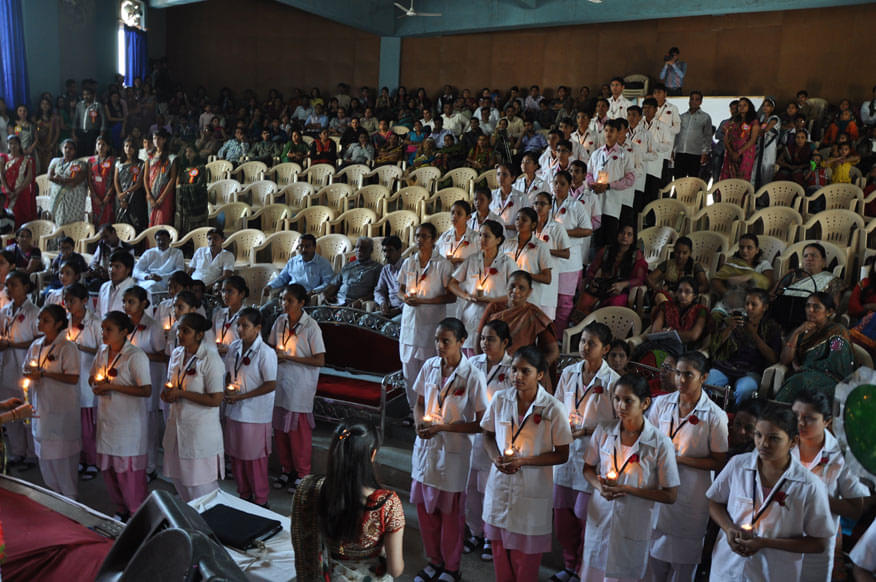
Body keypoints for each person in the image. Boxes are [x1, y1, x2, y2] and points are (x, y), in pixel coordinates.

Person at [705, 404, 833, 582]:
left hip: (772, 573)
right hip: (727, 568)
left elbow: (819, 543)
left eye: (774, 438)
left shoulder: (809, 485)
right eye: (758, 435)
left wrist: (765, 543)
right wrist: (729, 528)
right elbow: (714, 501)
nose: (763, 444)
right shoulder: (738, 465)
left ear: (794, 441)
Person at [481, 346, 572, 581]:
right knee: (500, 553)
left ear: (540, 374)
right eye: (514, 370)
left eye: (525, 371)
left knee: (526, 560)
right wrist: (495, 458)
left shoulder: (553, 408)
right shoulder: (501, 399)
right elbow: (488, 435)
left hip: (532, 490)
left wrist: (524, 461)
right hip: (501, 483)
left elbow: (562, 454)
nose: (517, 377)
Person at [580, 373, 680, 582]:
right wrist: (600, 487)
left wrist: (627, 490)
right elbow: (588, 469)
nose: (620, 406)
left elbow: (670, 495)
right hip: (602, 513)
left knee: (624, 574)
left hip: (633, 520)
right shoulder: (604, 430)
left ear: (644, 403)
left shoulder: (660, 443)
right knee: (594, 573)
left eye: (628, 400)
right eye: (616, 399)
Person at [410, 318, 487, 582]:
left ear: (462, 342)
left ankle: (452, 568)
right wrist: (421, 422)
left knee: (451, 516)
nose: (440, 346)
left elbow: (481, 423)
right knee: (425, 511)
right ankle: (433, 561)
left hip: (453, 453)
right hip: (426, 448)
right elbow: (419, 403)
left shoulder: (473, 376)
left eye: (446, 341)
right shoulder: (430, 366)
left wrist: (445, 429)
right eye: (437, 340)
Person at [647, 352, 728, 582]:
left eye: (688, 375)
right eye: (678, 373)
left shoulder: (715, 415)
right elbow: (649, 438)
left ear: (703, 377)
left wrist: (680, 460)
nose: (681, 380)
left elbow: (718, 460)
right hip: (660, 484)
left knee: (683, 561)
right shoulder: (662, 403)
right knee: (654, 552)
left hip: (691, 492)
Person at [291, 421, 405, 581]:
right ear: (372, 455)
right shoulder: (388, 504)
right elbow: (395, 569)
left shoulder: (310, 488)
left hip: (326, 576)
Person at [552, 323, 620, 582]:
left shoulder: (612, 382)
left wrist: (588, 430)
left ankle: (582, 567)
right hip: (566, 453)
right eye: (582, 341)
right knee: (562, 518)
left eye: (591, 343)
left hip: (594, 456)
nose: (584, 347)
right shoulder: (569, 372)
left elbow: (617, 423)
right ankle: (569, 563)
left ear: (606, 349)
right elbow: (557, 407)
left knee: (583, 516)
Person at [791, 390, 868, 582]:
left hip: (816, 542)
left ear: (827, 422)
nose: (800, 423)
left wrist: (815, 497)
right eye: (796, 416)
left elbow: (856, 508)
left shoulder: (841, 456)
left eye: (809, 418)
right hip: (780, 536)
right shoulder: (782, 442)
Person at [90, 311, 152, 521]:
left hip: (128, 424)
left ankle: (138, 514)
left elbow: (146, 390)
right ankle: (121, 509)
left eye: (109, 329)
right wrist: (96, 385)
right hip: (107, 421)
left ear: (124, 332)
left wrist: (113, 388)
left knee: (129, 474)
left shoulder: (135, 356)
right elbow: (92, 375)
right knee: (109, 472)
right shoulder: (102, 351)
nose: (104, 333)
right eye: (103, 329)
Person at [161, 312, 224, 501]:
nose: (179, 334)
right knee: (180, 480)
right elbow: (171, 383)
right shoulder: (177, 353)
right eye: (179, 329)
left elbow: (216, 399)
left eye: (185, 331)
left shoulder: (210, 359)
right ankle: (191, 522)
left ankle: (209, 526)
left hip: (199, 432)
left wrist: (181, 394)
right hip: (177, 425)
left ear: (198, 335)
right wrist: (168, 394)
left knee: (201, 487)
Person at [268, 284, 326, 491]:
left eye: (289, 300)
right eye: (283, 299)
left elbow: (319, 360)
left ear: (301, 303)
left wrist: (290, 357)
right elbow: (273, 346)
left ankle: (303, 473)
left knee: (298, 434)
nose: (284, 304)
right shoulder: (280, 321)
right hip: (281, 381)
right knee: (281, 430)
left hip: (300, 385)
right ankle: (286, 469)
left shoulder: (311, 326)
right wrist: (278, 356)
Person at [464, 320, 513, 561]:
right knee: (470, 488)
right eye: (482, 338)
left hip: (495, 437)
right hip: (472, 432)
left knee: (489, 489)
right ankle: (474, 531)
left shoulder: (513, 368)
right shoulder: (473, 363)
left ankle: (489, 536)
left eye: (491, 339)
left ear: (504, 342)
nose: (484, 343)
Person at [22, 304, 81, 499]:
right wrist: (30, 374)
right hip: (42, 407)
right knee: (45, 460)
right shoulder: (36, 345)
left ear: (58, 324)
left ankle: (71, 501)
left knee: (63, 463)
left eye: (45, 320)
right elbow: (25, 368)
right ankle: (55, 497)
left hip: (61, 410)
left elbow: (73, 377)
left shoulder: (67, 347)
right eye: (39, 319)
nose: (40, 323)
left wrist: (45, 373)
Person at [397, 223, 454, 414]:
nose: (420, 240)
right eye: (417, 236)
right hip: (410, 326)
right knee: (409, 373)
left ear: (433, 239)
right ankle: (414, 413)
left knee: (430, 372)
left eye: (424, 237)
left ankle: (431, 411)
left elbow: (450, 296)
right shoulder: (409, 262)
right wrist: (404, 297)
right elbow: (399, 289)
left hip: (430, 327)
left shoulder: (443, 265)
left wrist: (426, 300)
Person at [223, 307, 277, 508]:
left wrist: (243, 396)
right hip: (235, 411)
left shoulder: (266, 353)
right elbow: (229, 372)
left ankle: (261, 499)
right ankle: (244, 494)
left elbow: (271, 383)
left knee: (254, 459)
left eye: (245, 326)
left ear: (258, 328)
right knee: (236, 456)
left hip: (255, 414)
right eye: (238, 325)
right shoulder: (234, 347)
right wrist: (229, 389)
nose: (240, 329)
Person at [448, 220, 515, 357]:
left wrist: (492, 300)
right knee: (469, 355)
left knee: (490, 354)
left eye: (486, 236)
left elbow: (515, 293)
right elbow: (452, 283)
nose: (481, 239)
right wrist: (466, 296)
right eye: (480, 235)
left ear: (498, 239)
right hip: (470, 314)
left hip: (495, 316)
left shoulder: (507, 263)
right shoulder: (472, 259)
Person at [708, 288, 783, 406]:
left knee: (745, 391)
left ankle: (736, 419)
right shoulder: (737, 321)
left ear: (764, 307)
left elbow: (773, 358)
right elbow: (713, 348)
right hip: (726, 366)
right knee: (707, 382)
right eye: (747, 304)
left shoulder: (772, 328)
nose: (749, 308)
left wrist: (753, 334)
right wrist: (729, 328)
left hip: (751, 371)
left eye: (754, 305)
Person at [777, 289, 855, 401]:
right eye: (808, 306)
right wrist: (796, 333)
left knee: (799, 382)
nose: (810, 310)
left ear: (829, 312)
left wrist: (805, 368)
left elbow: (837, 361)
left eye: (816, 307)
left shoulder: (837, 331)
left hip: (830, 380)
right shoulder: (802, 331)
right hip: (803, 377)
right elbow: (784, 360)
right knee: (798, 381)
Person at [122, 285, 167, 480]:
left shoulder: (153, 326)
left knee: (148, 425)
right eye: (125, 301)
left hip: (149, 377)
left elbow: (162, 356)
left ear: (144, 304)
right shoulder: (123, 325)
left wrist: (137, 355)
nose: (126, 306)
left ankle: (149, 467)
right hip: (127, 380)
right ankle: (132, 462)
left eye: (131, 302)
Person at [477, 270, 560, 367]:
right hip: (493, 364)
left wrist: (535, 369)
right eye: (512, 286)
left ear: (529, 292)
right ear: (506, 287)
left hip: (522, 367)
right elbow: (479, 337)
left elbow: (553, 351)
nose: (515, 291)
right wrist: (482, 364)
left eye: (521, 288)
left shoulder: (534, 314)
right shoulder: (494, 308)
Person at [0, 271, 40, 464]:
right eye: (7, 285)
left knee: (27, 412)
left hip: (24, 366)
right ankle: (17, 451)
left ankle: (32, 453)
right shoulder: (5, 311)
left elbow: (39, 340)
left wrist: (14, 344)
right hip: (6, 365)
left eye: (14, 284)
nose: (9, 289)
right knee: (9, 411)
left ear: (25, 287)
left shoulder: (34, 312)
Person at [63, 283, 102, 480]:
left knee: (87, 427)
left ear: (85, 300)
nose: (68, 304)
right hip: (68, 379)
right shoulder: (64, 321)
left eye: (72, 300)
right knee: (72, 424)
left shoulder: (94, 323)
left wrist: (78, 348)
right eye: (66, 300)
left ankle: (92, 461)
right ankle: (77, 459)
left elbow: (103, 351)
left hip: (86, 379)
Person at [550, 171, 592, 333]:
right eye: (555, 183)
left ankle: (560, 335)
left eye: (562, 184)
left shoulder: (576, 206)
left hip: (569, 262)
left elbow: (587, 230)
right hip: (549, 258)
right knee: (549, 300)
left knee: (564, 302)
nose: (558, 187)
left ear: (569, 186)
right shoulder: (547, 204)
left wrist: (564, 232)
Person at [770, 243, 842, 331]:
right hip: (781, 317)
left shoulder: (831, 280)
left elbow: (834, 308)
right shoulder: (792, 275)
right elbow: (772, 295)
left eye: (813, 256)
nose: (809, 258)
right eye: (805, 256)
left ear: (823, 262)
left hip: (810, 322)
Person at [587, 119, 636, 244]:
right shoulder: (596, 154)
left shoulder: (624, 154)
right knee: (595, 239)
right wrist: (593, 184)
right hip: (596, 199)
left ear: (618, 133)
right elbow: (588, 174)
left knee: (609, 237)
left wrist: (609, 186)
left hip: (613, 202)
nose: (608, 134)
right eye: (606, 130)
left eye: (612, 131)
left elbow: (630, 179)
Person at [580, 224, 647, 312]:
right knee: (585, 299)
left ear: (633, 238)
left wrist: (623, 284)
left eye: (629, 234)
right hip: (603, 286)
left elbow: (639, 279)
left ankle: (604, 325)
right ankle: (582, 325)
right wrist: (592, 281)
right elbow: (592, 270)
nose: (625, 236)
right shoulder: (606, 250)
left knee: (615, 303)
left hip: (622, 290)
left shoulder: (637, 255)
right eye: (622, 233)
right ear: (617, 235)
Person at [711, 233, 774, 316]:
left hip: (751, 305)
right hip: (730, 301)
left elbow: (768, 283)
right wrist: (727, 294)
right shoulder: (733, 263)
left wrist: (750, 277)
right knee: (716, 315)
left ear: (757, 250)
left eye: (749, 247)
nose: (744, 251)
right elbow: (715, 281)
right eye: (741, 247)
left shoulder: (763, 264)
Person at [266, 233, 334, 298]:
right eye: (301, 246)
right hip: (290, 295)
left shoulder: (323, 263)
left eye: (307, 246)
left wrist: (314, 291)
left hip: (308, 296)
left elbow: (328, 283)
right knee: (265, 308)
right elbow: (282, 278)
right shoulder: (293, 261)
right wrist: (270, 286)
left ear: (314, 247)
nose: (303, 249)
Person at [647, 236, 708, 307]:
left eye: (684, 253)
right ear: (674, 251)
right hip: (668, 297)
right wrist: (659, 289)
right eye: (678, 252)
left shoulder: (695, 266)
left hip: (686, 300)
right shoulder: (668, 264)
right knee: (660, 298)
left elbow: (705, 286)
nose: (680, 256)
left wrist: (688, 292)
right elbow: (649, 278)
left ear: (690, 253)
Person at [321, 237, 382, 307]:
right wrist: (325, 294)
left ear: (371, 250)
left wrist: (361, 301)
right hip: (338, 301)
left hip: (354, 305)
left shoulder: (377, 268)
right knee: (316, 313)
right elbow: (334, 284)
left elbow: (377, 292)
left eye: (363, 248)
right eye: (357, 247)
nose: (359, 250)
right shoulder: (348, 265)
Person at [133, 228, 185, 299]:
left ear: (169, 240)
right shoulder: (149, 252)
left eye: (164, 239)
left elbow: (180, 270)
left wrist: (162, 277)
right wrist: (147, 276)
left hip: (168, 281)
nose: (161, 242)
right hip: (148, 280)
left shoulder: (177, 252)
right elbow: (136, 270)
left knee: (153, 286)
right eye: (158, 240)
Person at [47, 139, 88, 225]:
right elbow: (49, 176)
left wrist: (60, 179)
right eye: (65, 147)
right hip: (57, 196)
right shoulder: (55, 161)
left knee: (72, 225)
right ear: (61, 149)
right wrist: (63, 180)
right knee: (57, 223)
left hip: (73, 199)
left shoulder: (80, 164)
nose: (68, 150)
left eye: (71, 148)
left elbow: (76, 181)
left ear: (75, 151)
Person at [673, 91, 712, 179]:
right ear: (689, 100)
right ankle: (678, 193)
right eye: (692, 99)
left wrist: (705, 152)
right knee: (678, 180)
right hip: (680, 153)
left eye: (697, 99)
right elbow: (676, 135)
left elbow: (708, 136)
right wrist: (673, 149)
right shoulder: (682, 117)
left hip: (695, 154)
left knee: (693, 181)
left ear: (700, 102)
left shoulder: (705, 117)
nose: (694, 101)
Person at [720, 97, 760, 180]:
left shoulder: (754, 122)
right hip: (731, 153)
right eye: (739, 105)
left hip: (745, 153)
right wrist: (731, 152)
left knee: (741, 178)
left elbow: (752, 140)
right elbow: (726, 137)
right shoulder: (732, 122)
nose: (741, 107)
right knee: (728, 179)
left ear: (750, 107)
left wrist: (738, 153)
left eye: (744, 105)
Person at [0, 135, 37, 225]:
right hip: (7, 193)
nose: (13, 146)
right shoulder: (3, 158)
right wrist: (8, 190)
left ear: (19, 145)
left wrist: (17, 192)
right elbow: (1, 174)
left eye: (15, 143)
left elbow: (29, 178)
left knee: (21, 218)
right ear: (7, 145)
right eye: (10, 143)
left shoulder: (27, 160)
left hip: (21, 193)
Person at [114, 136, 148, 233]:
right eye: (126, 146)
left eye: (131, 146)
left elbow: (139, 183)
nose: (128, 149)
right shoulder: (119, 163)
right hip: (120, 197)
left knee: (135, 224)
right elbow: (116, 180)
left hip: (135, 197)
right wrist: (120, 195)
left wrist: (126, 193)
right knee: (121, 224)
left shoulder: (141, 164)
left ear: (135, 148)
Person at [144, 128, 177, 226]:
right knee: (151, 221)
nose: (156, 141)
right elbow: (145, 177)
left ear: (164, 140)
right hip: (151, 194)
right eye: (154, 139)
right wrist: (148, 195)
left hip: (165, 194)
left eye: (159, 139)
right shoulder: (149, 156)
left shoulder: (171, 158)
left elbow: (172, 179)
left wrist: (161, 198)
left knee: (162, 221)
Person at [436, 200, 479, 268]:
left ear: (468, 217)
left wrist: (462, 261)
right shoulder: (445, 236)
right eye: (452, 213)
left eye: (459, 214)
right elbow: (435, 257)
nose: (454, 216)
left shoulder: (476, 238)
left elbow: (480, 262)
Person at [213, 275, 248, 355]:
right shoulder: (219, 314)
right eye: (223, 291)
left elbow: (251, 344)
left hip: (237, 360)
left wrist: (229, 349)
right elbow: (211, 336)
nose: (225, 295)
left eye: (230, 291)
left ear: (241, 294)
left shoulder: (248, 316)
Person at [374, 235, 405, 319]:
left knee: (387, 327)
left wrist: (399, 309)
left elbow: (414, 297)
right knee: (366, 320)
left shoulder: (408, 267)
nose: (386, 254)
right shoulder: (386, 269)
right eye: (384, 251)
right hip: (389, 309)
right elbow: (378, 291)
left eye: (390, 250)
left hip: (404, 310)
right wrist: (382, 303)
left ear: (399, 251)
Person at [88, 136, 116, 226]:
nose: (100, 146)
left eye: (103, 144)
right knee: (96, 220)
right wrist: (94, 195)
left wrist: (108, 195)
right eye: (98, 144)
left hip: (108, 195)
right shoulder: (90, 160)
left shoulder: (113, 161)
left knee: (108, 219)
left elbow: (114, 180)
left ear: (108, 147)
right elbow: (89, 180)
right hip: (95, 195)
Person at [97, 251, 135, 315]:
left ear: (128, 270)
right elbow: (98, 313)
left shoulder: (136, 290)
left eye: (117, 266)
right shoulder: (104, 287)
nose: (112, 270)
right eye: (110, 266)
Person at [755, 98, 781, 186]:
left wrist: (756, 130)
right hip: (759, 146)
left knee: (766, 170)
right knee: (757, 169)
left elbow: (765, 130)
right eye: (764, 105)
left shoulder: (774, 118)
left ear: (772, 108)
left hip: (769, 147)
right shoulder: (761, 118)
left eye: (768, 106)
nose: (765, 107)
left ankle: (765, 196)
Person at [73, 87, 105, 157]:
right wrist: (73, 133)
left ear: (93, 95)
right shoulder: (79, 105)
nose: (85, 96)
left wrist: (101, 134)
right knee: (81, 151)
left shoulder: (98, 105)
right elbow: (75, 120)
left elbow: (103, 121)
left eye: (88, 94)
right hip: (81, 132)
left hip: (93, 132)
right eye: (84, 95)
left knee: (91, 151)